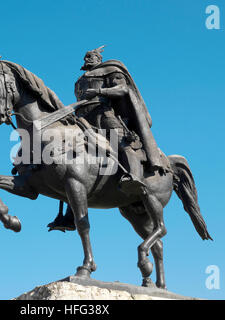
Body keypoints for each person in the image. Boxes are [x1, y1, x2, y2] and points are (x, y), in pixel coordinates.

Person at [48, 46, 165, 232]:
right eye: (86, 57)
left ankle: (134, 177)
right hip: (83, 118)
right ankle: (68, 215)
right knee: (68, 158)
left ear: (98, 58)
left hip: (104, 115)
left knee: (121, 143)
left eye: (91, 56)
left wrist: (100, 93)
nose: (87, 59)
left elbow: (122, 89)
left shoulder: (111, 70)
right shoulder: (79, 81)